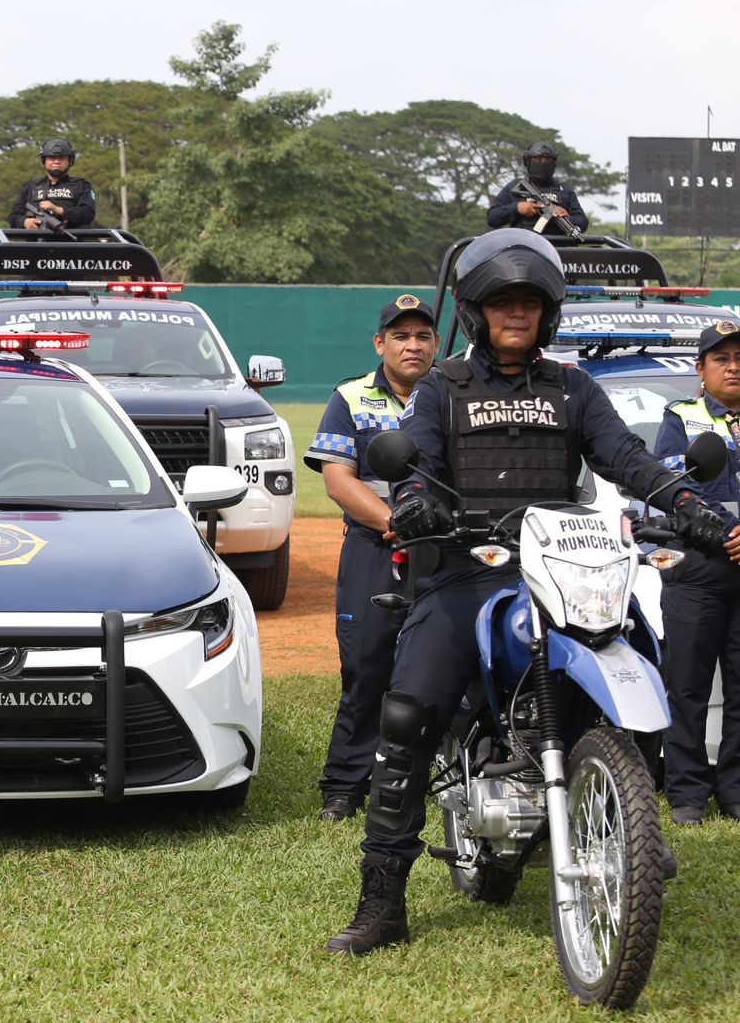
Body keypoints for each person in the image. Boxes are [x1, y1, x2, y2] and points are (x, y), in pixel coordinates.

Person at [324, 229, 725, 955]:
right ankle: (381, 900)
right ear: (478, 312)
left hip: (562, 559)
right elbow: (416, 463)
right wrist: (416, 502)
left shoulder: (573, 387)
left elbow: (626, 457)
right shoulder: (445, 385)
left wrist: (688, 503)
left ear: (550, 314)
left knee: (638, 644)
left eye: (531, 304)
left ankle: (634, 820)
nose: (518, 314)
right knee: (411, 714)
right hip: (462, 562)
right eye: (503, 303)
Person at [304, 294, 437, 822]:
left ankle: (429, 777)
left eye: (422, 336)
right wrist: (394, 523)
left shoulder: (450, 395)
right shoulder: (351, 396)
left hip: (439, 550)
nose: (412, 345)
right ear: (380, 343)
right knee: (365, 665)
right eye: (401, 336)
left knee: (440, 669)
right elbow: (339, 480)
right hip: (373, 548)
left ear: (434, 344)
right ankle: (345, 784)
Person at [652, 320, 740, 826]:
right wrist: (731, 535)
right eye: (721, 359)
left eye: (739, 358)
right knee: (686, 686)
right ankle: (686, 795)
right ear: (701, 371)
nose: (733, 367)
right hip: (698, 568)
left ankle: (734, 792)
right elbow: (679, 490)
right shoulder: (680, 418)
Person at [486, 140, 588, 235]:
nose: (543, 163)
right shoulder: (514, 188)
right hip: (526, 246)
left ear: (554, 164)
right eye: (538, 160)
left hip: (558, 247)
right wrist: (517, 208)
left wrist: (567, 217)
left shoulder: (564, 191)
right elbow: (492, 218)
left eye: (547, 160)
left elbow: (582, 222)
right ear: (528, 162)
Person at [7, 138, 96, 231]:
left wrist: (58, 210)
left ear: (70, 160)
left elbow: (88, 214)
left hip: (71, 243)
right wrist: (25, 222)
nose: (56, 161)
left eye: (61, 158)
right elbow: (13, 217)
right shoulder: (30, 187)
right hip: (36, 243)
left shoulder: (81, 185)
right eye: (51, 158)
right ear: (44, 161)